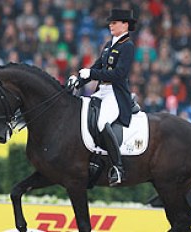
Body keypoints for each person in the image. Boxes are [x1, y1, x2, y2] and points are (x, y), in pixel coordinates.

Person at [68, 9, 137, 186]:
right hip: (101, 91)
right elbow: (97, 66)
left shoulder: (127, 46)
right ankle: (92, 160)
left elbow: (120, 73)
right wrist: (79, 81)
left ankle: (118, 167)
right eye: (111, 22)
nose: (110, 25)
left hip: (115, 93)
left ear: (125, 25)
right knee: (83, 118)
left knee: (101, 122)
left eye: (114, 22)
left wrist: (92, 72)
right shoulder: (108, 45)